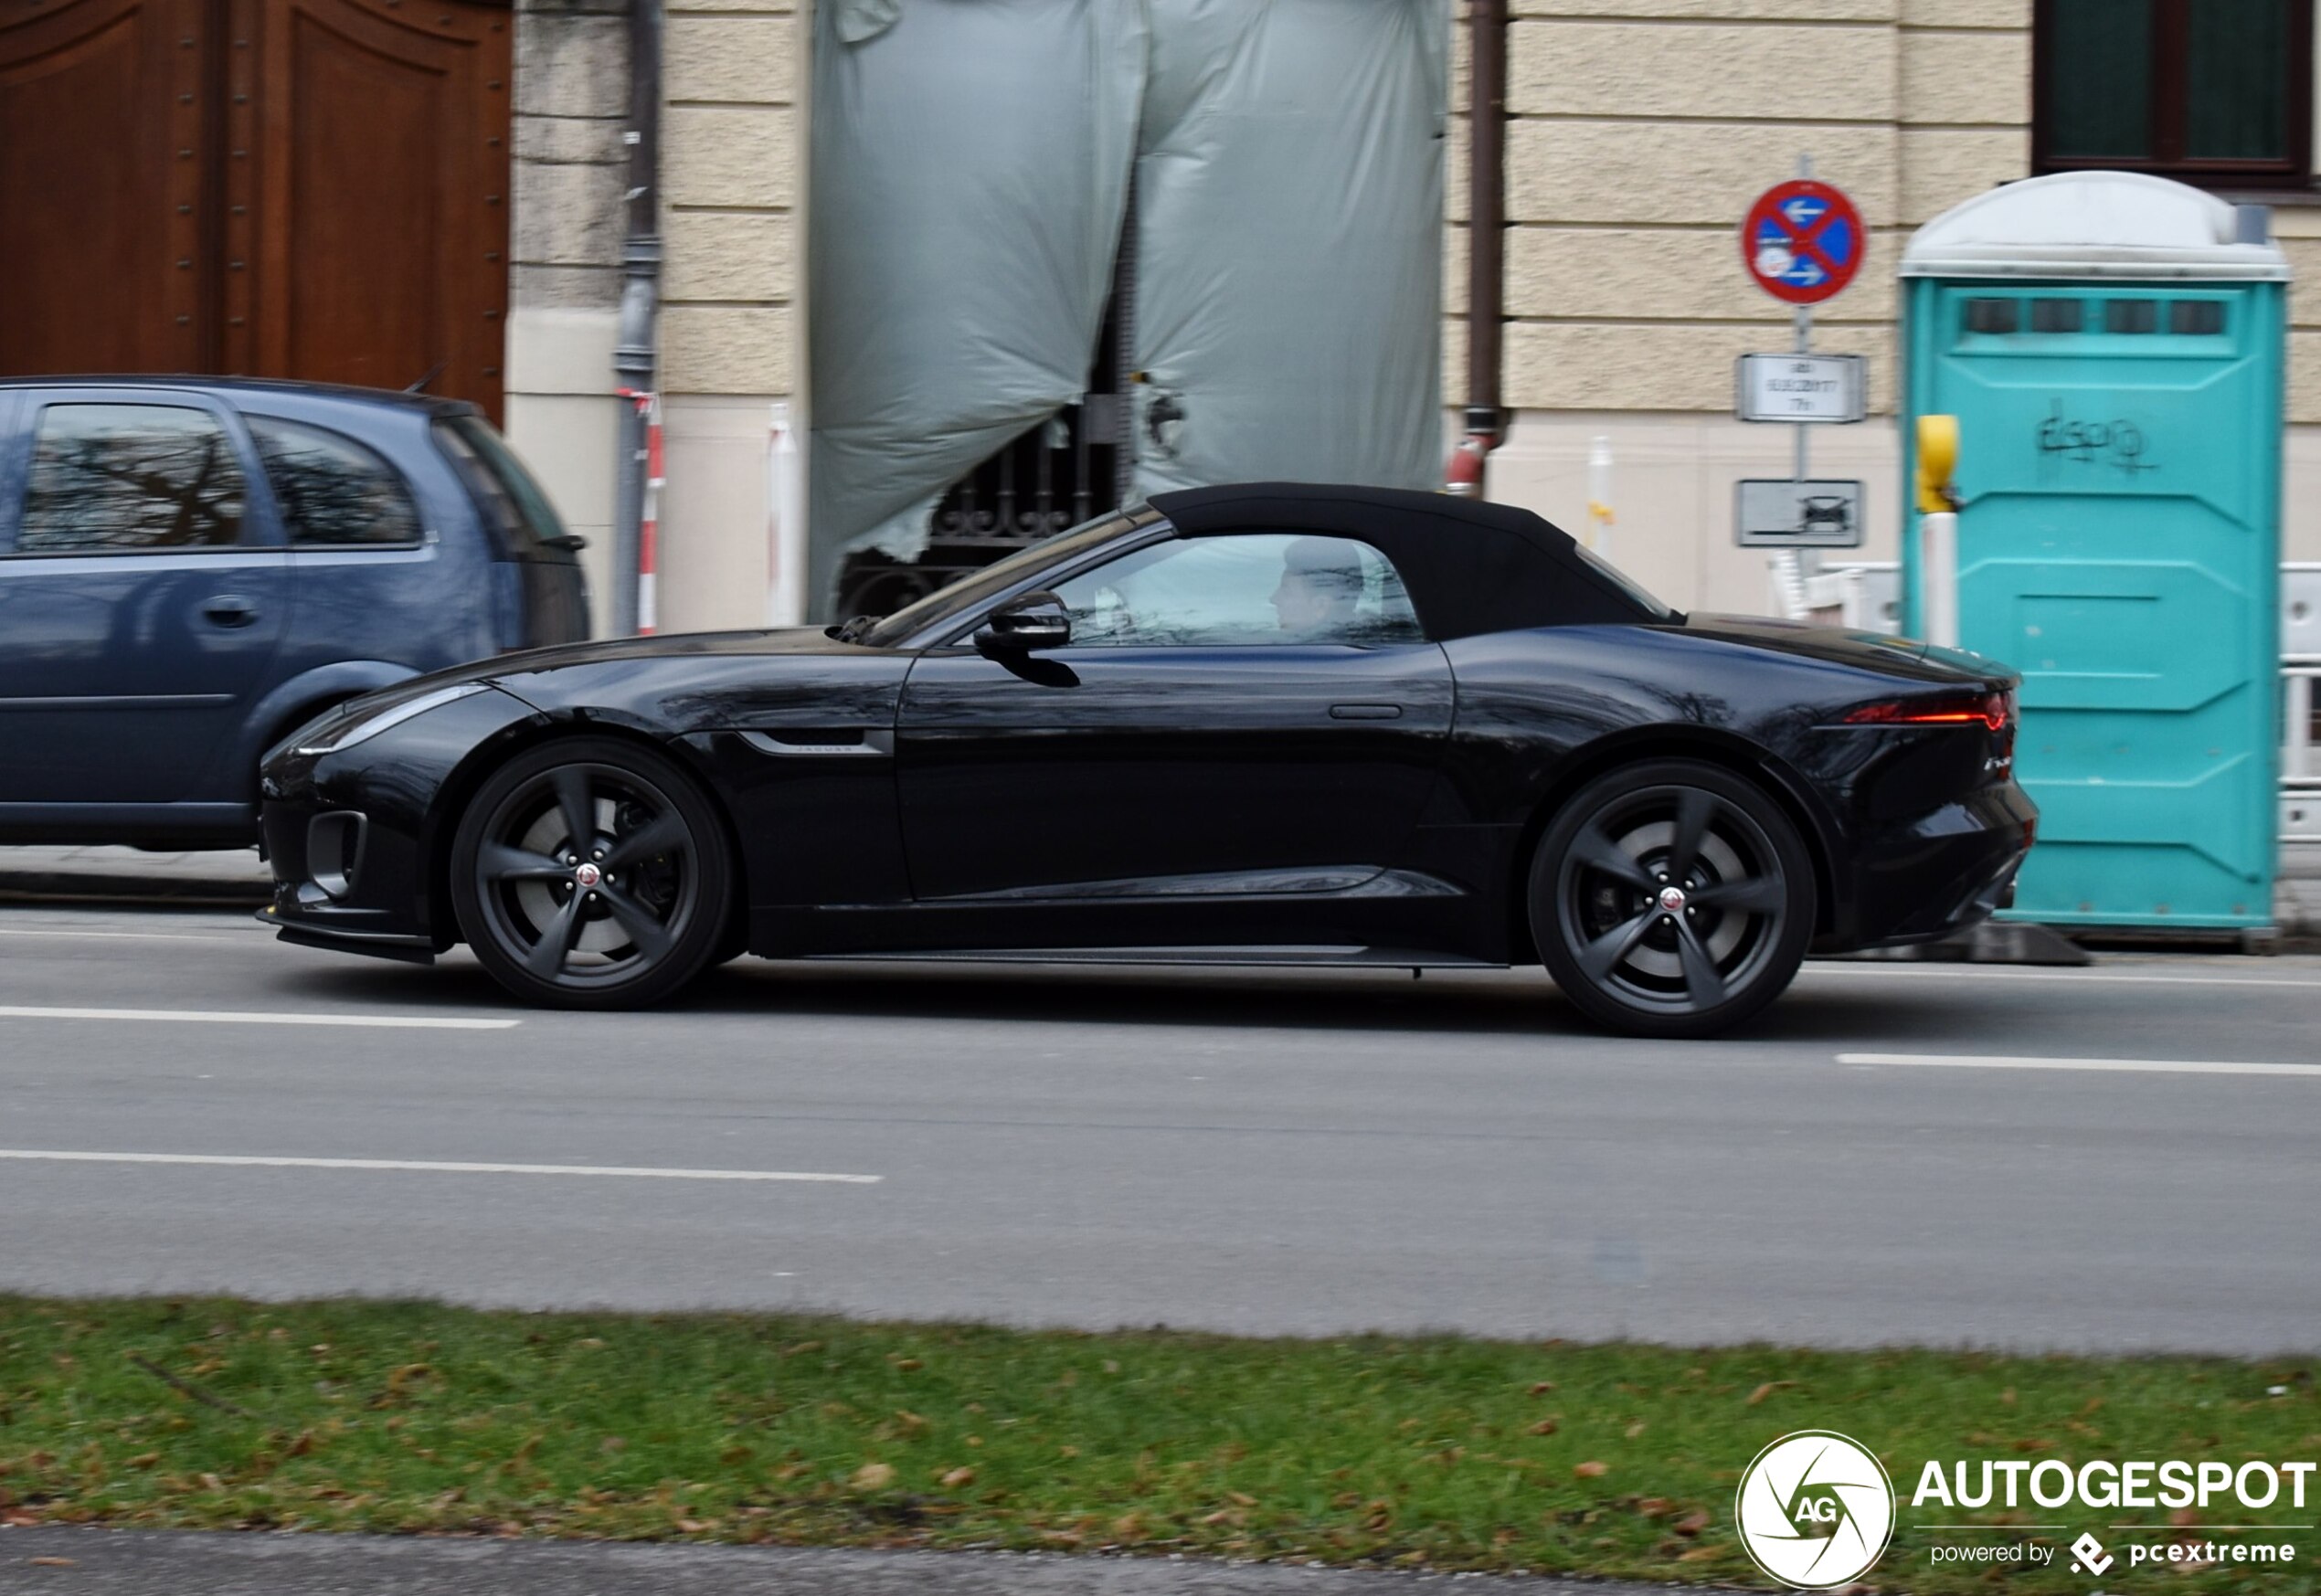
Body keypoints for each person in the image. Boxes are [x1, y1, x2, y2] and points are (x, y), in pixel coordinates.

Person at [1270, 537, 1364, 640]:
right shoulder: (1366, 642)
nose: (1274, 599)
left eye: (1287, 591)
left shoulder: (1302, 652)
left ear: (1321, 606)